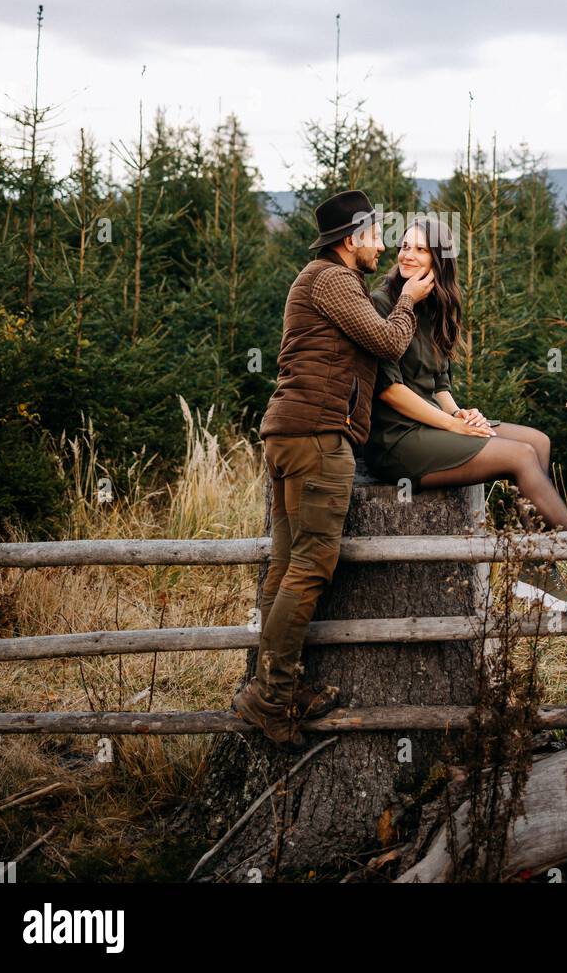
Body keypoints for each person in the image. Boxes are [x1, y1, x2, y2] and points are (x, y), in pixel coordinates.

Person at [364, 216, 567, 611]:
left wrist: (463, 414)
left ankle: (537, 570)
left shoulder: (437, 306)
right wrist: (452, 425)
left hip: (433, 427)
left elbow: (439, 384)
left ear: (440, 259)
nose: (407, 255)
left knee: (537, 441)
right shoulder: (382, 303)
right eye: (404, 246)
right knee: (518, 457)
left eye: (420, 249)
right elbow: (391, 391)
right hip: (396, 441)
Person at [231, 189, 434, 750]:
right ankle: (272, 695)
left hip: (291, 434)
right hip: (317, 436)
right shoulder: (334, 281)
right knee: (313, 564)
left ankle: (271, 687)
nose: (384, 245)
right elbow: (389, 339)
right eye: (375, 235)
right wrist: (409, 300)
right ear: (352, 240)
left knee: (286, 563)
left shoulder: (327, 281)